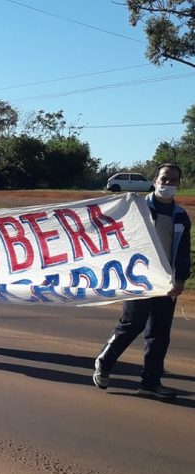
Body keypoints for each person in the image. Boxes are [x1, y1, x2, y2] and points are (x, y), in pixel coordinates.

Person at [94, 164, 190, 399]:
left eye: (173, 180)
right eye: (164, 178)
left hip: (165, 282)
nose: (168, 184)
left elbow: (184, 251)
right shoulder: (138, 209)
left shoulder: (180, 216)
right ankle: (104, 363)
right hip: (138, 279)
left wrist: (180, 278)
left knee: (159, 333)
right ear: (155, 179)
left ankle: (150, 382)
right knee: (132, 324)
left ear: (179, 183)